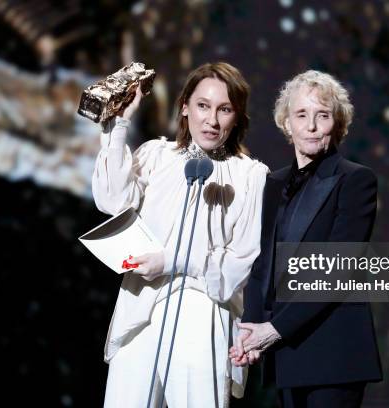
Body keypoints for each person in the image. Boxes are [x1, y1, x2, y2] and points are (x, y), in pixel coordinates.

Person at [92, 62, 268, 408]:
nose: (212, 120)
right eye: (203, 105)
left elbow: (239, 265)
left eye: (225, 109)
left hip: (203, 312)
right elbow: (112, 200)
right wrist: (117, 125)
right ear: (185, 106)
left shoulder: (250, 177)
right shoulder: (157, 156)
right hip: (141, 305)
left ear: (238, 116)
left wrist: (171, 261)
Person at [230, 70, 383, 407]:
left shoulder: (356, 180)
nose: (312, 126)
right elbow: (263, 264)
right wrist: (250, 329)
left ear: (338, 124)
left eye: (322, 115)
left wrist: (273, 330)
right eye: (301, 115)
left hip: (334, 354)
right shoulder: (274, 183)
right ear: (287, 123)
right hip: (287, 353)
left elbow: (336, 270)